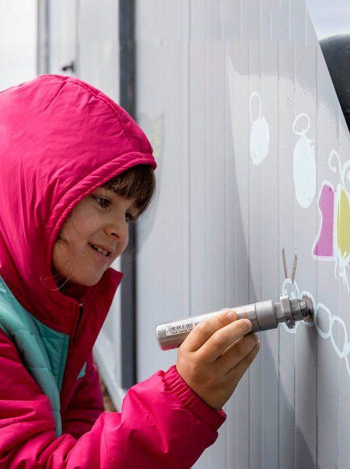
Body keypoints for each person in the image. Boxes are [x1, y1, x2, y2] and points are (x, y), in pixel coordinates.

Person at [0, 75, 260, 466]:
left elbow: (77, 429)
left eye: (130, 215)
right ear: (33, 188)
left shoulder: (56, 303)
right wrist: (184, 400)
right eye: (103, 200)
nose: (119, 231)